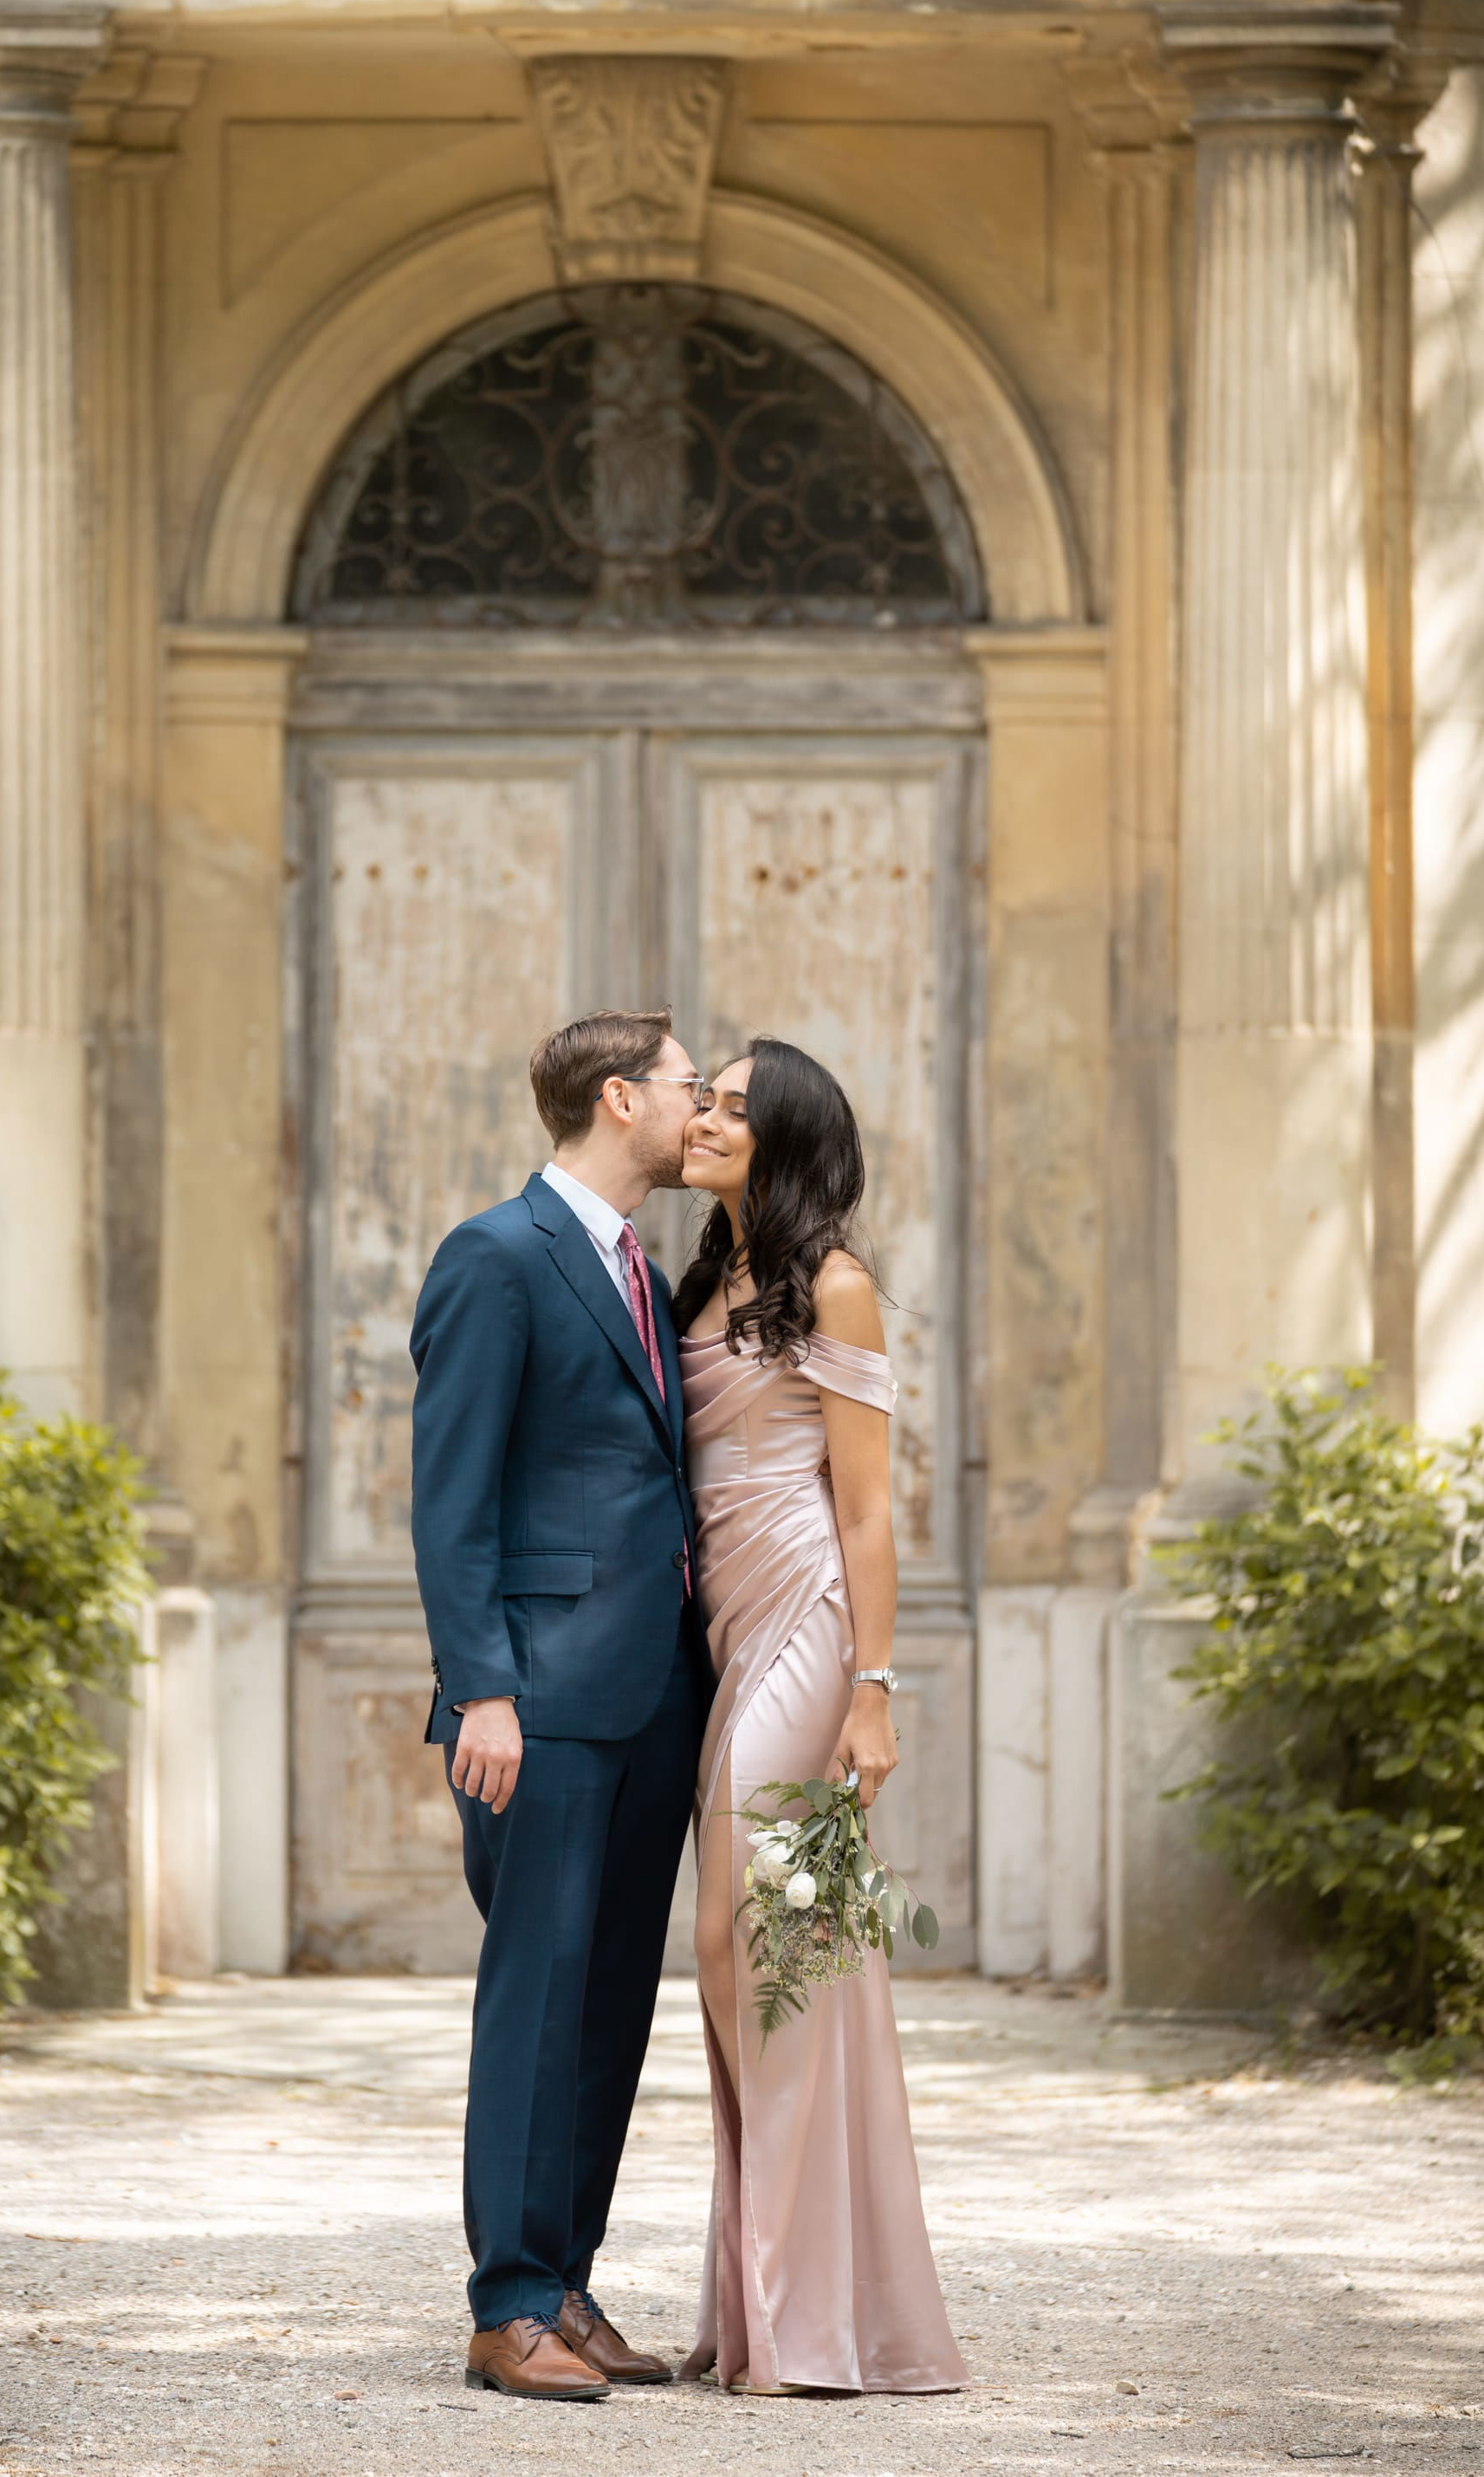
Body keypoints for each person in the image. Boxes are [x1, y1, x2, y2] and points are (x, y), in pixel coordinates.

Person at [409, 1008, 714, 2404]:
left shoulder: (646, 1271)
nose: (699, 1105)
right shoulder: (495, 1254)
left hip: (655, 1689)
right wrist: (482, 1687)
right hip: (537, 1696)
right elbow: (450, 1494)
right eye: (683, 1085)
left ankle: (568, 2278)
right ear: (617, 1098)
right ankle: (507, 2303)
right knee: (535, 1992)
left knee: (608, 1999)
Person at [672, 1037, 968, 2396]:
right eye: (708, 1099)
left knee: (745, 1934)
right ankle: (785, 2303)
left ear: (784, 1134)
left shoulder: (835, 1286)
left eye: (735, 1105)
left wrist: (875, 1690)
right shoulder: (703, 1275)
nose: (708, 1117)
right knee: (759, 1953)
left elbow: (865, 1506)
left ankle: (794, 2309)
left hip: (803, 1625)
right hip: (729, 1630)